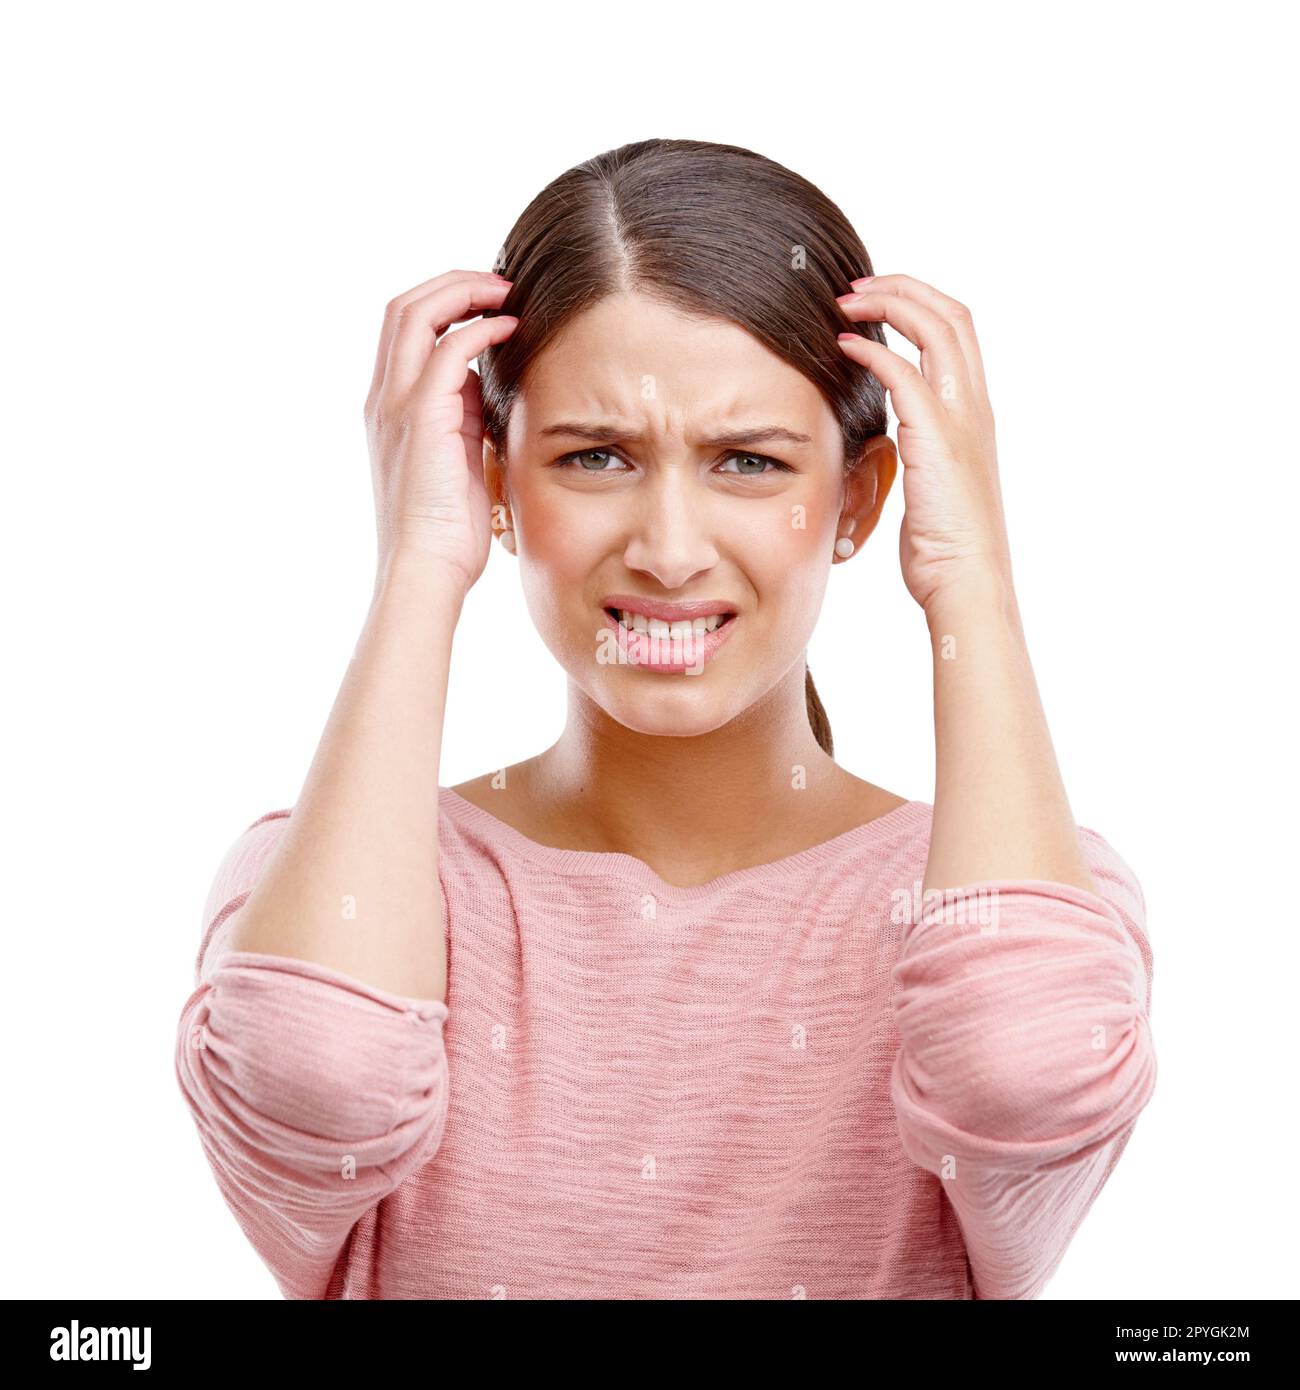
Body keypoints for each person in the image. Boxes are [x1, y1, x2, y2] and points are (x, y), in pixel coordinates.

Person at [175, 138, 1156, 1299]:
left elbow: (1016, 1065)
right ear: (494, 481)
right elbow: (315, 1070)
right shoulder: (326, 880)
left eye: (748, 461)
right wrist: (417, 568)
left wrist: (970, 577)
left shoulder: (1015, 895)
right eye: (594, 455)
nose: (670, 548)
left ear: (856, 495)